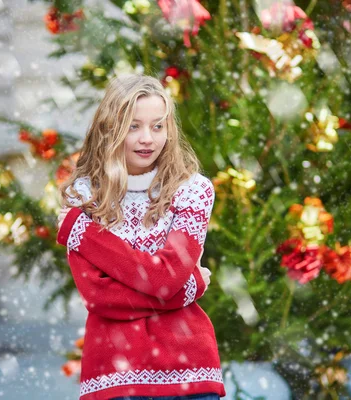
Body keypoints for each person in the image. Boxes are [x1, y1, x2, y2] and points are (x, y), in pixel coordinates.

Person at [56, 74, 226, 400]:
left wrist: (86, 236)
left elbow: (165, 278)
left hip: (188, 368)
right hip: (114, 374)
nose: (147, 138)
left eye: (157, 126)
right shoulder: (84, 198)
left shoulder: (191, 191)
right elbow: (100, 297)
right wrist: (191, 287)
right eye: (133, 126)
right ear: (111, 129)